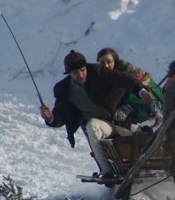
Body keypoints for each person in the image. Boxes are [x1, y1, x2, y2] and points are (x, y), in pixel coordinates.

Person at [39, 50, 157, 179]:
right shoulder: (63, 89)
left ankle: (155, 167)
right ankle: (107, 172)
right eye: (75, 73)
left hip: (119, 120)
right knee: (92, 125)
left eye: (83, 70)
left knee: (143, 138)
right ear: (69, 74)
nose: (81, 75)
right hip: (100, 126)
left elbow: (123, 79)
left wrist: (142, 92)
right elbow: (60, 117)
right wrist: (50, 117)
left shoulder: (97, 71)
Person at [95, 47, 163, 131]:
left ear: (115, 60)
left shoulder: (126, 70)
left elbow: (141, 86)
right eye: (102, 63)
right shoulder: (98, 78)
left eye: (109, 62)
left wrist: (128, 106)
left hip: (141, 104)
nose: (106, 65)